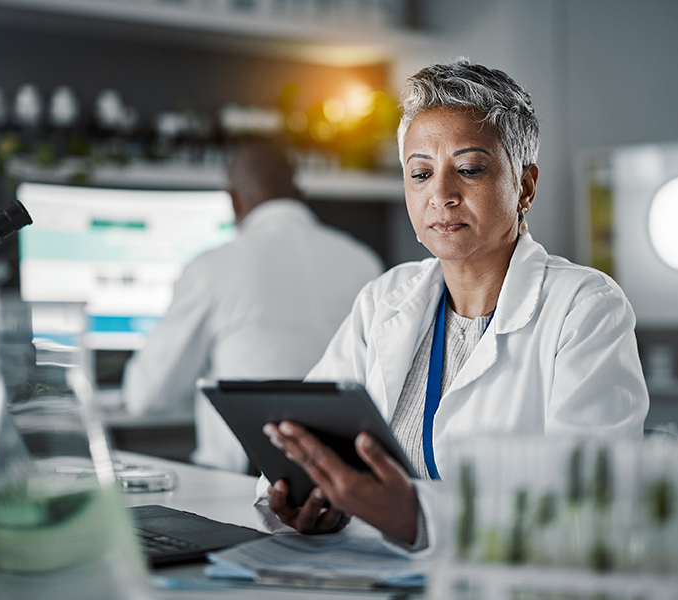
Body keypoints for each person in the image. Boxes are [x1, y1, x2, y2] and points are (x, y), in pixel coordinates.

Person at [258, 60, 649, 548]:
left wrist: (419, 519)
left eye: (468, 169)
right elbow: (304, 439)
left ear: (525, 186)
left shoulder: (584, 308)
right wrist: (305, 500)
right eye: (420, 173)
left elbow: (587, 502)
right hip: (369, 569)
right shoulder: (385, 299)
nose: (440, 194)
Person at [122, 140, 384, 472]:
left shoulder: (212, 268)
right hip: (345, 478)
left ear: (233, 200)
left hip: (244, 482)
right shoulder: (363, 261)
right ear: (299, 193)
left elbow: (146, 397)